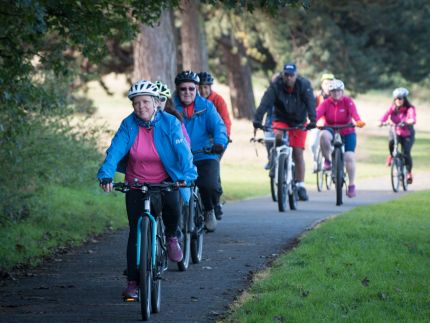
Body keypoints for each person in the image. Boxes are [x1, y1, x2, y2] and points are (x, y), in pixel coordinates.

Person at [97, 80, 197, 299]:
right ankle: (133, 282)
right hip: (136, 182)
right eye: (136, 103)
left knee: (172, 206)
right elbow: (115, 150)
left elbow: (183, 151)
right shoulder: (128, 124)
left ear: (155, 103)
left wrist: (187, 176)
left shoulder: (170, 123)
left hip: (166, 179)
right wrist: (106, 174)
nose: (140, 106)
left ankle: (172, 236)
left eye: (145, 101)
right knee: (135, 232)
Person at [173, 70, 228, 232]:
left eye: (191, 88)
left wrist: (219, 143)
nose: (187, 92)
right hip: (179, 157)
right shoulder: (170, 107)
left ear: (197, 89)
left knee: (209, 185)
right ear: (177, 89)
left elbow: (219, 126)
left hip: (204, 153)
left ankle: (209, 209)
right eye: (183, 89)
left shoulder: (206, 106)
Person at [253, 63, 317, 201]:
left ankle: (300, 184)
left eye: (291, 75)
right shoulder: (276, 85)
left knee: (298, 152)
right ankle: (276, 161)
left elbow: (311, 102)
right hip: (281, 118)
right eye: (286, 75)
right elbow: (265, 102)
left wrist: (313, 120)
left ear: (296, 75)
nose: (288, 78)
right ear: (283, 75)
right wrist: (257, 120)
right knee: (278, 136)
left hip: (299, 121)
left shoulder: (304, 85)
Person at [316, 79, 365, 198]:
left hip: (347, 130)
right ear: (329, 92)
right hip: (331, 128)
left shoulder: (348, 101)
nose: (336, 93)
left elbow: (354, 113)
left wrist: (358, 121)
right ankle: (328, 160)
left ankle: (352, 185)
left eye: (338, 91)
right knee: (323, 135)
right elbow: (317, 113)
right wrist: (311, 122)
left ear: (342, 91)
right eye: (333, 91)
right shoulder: (326, 103)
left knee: (349, 156)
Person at [197, 71, 232, 220]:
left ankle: (215, 201)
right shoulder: (193, 99)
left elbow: (225, 121)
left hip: (216, 141)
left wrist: (224, 139)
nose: (203, 90)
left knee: (213, 168)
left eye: (206, 87)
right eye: (201, 87)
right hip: (199, 141)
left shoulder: (218, 100)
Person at [379, 87, 416, 184]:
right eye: (396, 98)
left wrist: (409, 121)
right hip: (395, 131)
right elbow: (384, 116)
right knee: (391, 143)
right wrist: (381, 122)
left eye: (400, 98)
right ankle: (391, 155)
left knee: (406, 153)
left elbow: (412, 118)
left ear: (404, 99)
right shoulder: (392, 108)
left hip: (407, 134)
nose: (398, 100)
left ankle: (408, 173)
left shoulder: (409, 108)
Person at [308, 73, 335, 172]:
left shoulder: (336, 95)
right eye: (326, 83)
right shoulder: (317, 97)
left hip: (331, 125)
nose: (328, 85)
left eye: (330, 83)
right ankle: (315, 161)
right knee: (312, 144)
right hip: (318, 124)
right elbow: (311, 110)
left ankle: (328, 161)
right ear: (322, 85)